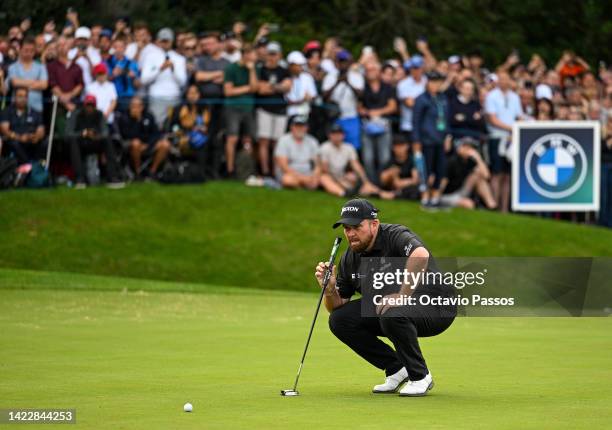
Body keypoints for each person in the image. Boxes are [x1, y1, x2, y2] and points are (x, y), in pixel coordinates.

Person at [316, 199, 456, 396]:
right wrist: (329, 289)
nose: (351, 234)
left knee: (392, 311)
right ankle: (397, 369)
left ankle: (420, 376)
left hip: (437, 305)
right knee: (339, 320)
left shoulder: (395, 235)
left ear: (374, 224)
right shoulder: (350, 258)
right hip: (394, 310)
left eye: (357, 227)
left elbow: (420, 254)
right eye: (347, 228)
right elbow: (337, 306)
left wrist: (401, 295)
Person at [65, 94, 124, 189]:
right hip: (80, 143)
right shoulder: (76, 114)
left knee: (108, 140)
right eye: (88, 105)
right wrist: (83, 133)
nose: (89, 108)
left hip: (95, 142)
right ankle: (80, 178)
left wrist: (96, 136)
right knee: (73, 142)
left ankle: (112, 176)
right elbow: (68, 133)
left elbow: (105, 132)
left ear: (95, 106)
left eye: (92, 105)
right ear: (84, 105)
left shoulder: (99, 114)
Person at [484, 70, 523, 212]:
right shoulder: (491, 96)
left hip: (512, 139)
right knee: (497, 173)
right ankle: (494, 204)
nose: (504, 82)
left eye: (506, 79)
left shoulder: (515, 97)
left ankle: (504, 208)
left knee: (507, 175)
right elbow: (493, 119)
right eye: (501, 79)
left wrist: (516, 128)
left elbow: (519, 116)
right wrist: (512, 128)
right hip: (497, 137)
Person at [319, 123, 389, 198]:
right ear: (329, 135)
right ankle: (343, 193)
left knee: (353, 177)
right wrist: (339, 182)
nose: (337, 136)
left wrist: (365, 181)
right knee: (324, 178)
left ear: (343, 135)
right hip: (331, 177)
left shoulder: (349, 148)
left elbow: (356, 166)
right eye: (334, 134)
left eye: (339, 134)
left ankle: (380, 193)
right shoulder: (324, 147)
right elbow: (325, 170)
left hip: (342, 176)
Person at [194, 31, 229, 178]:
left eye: (210, 43)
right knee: (202, 136)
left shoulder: (227, 62)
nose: (207, 47)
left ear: (219, 44)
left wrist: (211, 76)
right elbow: (199, 76)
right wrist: (218, 74)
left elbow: (227, 80)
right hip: (203, 104)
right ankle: (201, 171)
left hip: (221, 104)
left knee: (217, 138)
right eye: (205, 44)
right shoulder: (201, 60)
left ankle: (214, 172)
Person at [412, 71, 450, 207]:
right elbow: (415, 122)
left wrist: (448, 136)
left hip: (440, 139)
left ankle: (435, 196)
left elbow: (446, 119)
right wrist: (416, 141)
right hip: (426, 140)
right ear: (427, 82)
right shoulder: (421, 99)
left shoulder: (443, 98)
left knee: (440, 169)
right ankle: (425, 196)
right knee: (425, 170)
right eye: (433, 82)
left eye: (438, 82)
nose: (435, 85)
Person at [256, 42, 291, 176]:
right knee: (264, 141)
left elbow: (287, 87)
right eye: (270, 54)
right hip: (264, 109)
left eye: (274, 54)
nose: (272, 57)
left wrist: (271, 86)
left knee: (277, 143)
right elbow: (260, 89)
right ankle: (264, 171)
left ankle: (275, 171)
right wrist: (278, 87)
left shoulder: (284, 70)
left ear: (280, 55)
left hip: (280, 111)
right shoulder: (261, 69)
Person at [223, 43, 258, 177]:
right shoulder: (231, 68)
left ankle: (246, 170)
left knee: (248, 139)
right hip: (233, 108)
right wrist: (247, 88)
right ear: (245, 55)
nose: (254, 57)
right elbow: (228, 91)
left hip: (248, 108)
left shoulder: (254, 68)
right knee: (232, 138)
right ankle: (230, 170)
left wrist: (251, 71)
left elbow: (255, 88)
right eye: (252, 54)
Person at [141, 28, 187, 128]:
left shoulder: (180, 59)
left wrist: (173, 69)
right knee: (157, 127)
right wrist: (160, 69)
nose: (165, 43)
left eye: (167, 41)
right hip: (157, 98)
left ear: (172, 41)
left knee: (174, 127)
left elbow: (182, 82)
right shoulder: (150, 57)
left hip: (174, 97)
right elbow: (144, 80)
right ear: (158, 41)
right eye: (163, 41)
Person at [359, 61, 397, 182]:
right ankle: (371, 183)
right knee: (368, 158)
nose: (371, 73)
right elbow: (359, 106)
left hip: (383, 125)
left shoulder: (388, 87)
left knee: (384, 157)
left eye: (373, 70)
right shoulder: (363, 87)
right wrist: (364, 111)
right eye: (368, 70)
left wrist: (377, 112)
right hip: (367, 125)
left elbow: (393, 106)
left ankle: (381, 182)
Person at [116, 96, 170, 179]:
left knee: (165, 144)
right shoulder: (124, 117)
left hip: (148, 144)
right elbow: (127, 135)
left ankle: (152, 172)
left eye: (137, 106)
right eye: (133, 106)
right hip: (132, 146)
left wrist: (148, 145)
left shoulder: (149, 116)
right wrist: (137, 121)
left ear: (142, 107)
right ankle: (138, 172)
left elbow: (156, 133)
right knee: (136, 143)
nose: (135, 109)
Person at [322, 49, 364, 149]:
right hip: (335, 118)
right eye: (341, 61)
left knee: (353, 148)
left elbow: (361, 95)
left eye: (345, 61)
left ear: (349, 63)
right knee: (334, 147)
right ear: (337, 62)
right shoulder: (330, 76)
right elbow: (324, 96)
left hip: (351, 117)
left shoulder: (356, 76)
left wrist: (348, 82)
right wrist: (337, 83)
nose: (343, 64)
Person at [397, 55, 427, 193]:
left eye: (418, 68)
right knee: (409, 158)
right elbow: (411, 104)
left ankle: (421, 184)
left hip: (425, 128)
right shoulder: (403, 84)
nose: (416, 71)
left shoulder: (427, 82)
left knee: (421, 157)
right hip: (408, 127)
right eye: (413, 68)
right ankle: (409, 185)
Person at [440, 137, 497, 209]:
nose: (470, 150)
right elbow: (442, 183)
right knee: (469, 204)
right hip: (447, 194)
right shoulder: (451, 161)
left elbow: (487, 176)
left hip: (461, 191)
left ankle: (492, 206)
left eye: (471, 148)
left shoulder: (471, 161)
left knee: (478, 176)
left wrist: (478, 158)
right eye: (466, 147)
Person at [167, 84, 211, 176]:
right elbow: (174, 127)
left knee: (206, 141)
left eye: (195, 93)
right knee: (183, 142)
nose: (193, 96)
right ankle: (180, 171)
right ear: (186, 95)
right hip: (183, 135)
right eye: (190, 93)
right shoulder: (178, 108)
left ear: (199, 95)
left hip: (201, 135)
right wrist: (184, 132)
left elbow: (210, 125)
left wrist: (204, 129)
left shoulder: (205, 108)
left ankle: (201, 172)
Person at [0, 86, 45, 164]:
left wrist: (36, 137)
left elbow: (41, 130)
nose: (23, 99)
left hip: (31, 140)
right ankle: (29, 165)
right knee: (14, 143)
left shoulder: (35, 112)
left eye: (25, 96)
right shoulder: (7, 111)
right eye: (20, 96)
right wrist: (19, 138)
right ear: (15, 97)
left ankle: (39, 164)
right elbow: (4, 130)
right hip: (15, 139)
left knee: (46, 141)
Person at [273, 115, 319, 189]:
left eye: (302, 126)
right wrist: (303, 178)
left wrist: (314, 175)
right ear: (291, 127)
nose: (299, 128)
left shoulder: (312, 141)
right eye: (297, 126)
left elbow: (317, 163)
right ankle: (303, 184)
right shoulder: (283, 140)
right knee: (287, 180)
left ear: (307, 128)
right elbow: (283, 166)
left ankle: (301, 185)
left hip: (307, 173)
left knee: (320, 179)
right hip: (289, 173)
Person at [5, 37, 48, 113]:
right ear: (20, 49)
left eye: (32, 51)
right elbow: (15, 82)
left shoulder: (41, 67)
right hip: (16, 110)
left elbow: (44, 85)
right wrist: (36, 82)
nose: (29, 53)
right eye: (26, 50)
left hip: (36, 108)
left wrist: (22, 85)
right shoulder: (12, 67)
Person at [46, 36, 84, 113]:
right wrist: (66, 102)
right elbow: (53, 85)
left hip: (74, 103)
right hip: (57, 105)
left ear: (69, 47)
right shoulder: (51, 66)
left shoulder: (77, 67)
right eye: (60, 45)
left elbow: (80, 85)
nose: (63, 47)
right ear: (56, 48)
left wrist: (69, 96)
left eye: (65, 44)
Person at [379, 135, 420, 200]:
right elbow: (383, 179)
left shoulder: (412, 160)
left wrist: (403, 182)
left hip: (408, 188)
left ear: (407, 146)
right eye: (397, 146)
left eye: (402, 146)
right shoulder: (390, 161)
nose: (399, 149)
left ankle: (395, 195)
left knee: (416, 189)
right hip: (393, 188)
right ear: (393, 148)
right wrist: (391, 173)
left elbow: (415, 180)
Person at [106, 36, 140, 111]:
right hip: (111, 96)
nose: (118, 49)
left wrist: (132, 76)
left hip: (127, 97)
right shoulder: (108, 62)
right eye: (116, 47)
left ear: (125, 48)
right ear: (113, 48)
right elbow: (103, 79)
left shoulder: (132, 63)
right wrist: (113, 75)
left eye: (121, 47)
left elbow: (137, 84)